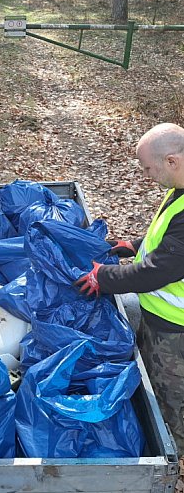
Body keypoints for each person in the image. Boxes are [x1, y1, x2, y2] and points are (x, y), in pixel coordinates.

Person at [76, 122, 184, 456]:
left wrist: (103, 277)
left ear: (171, 160)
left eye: (148, 168)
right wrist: (132, 245)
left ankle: (173, 454)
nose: (146, 175)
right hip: (164, 319)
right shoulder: (179, 189)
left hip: (176, 327)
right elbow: (166, 242)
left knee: (172, 394)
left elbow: (159, 271)